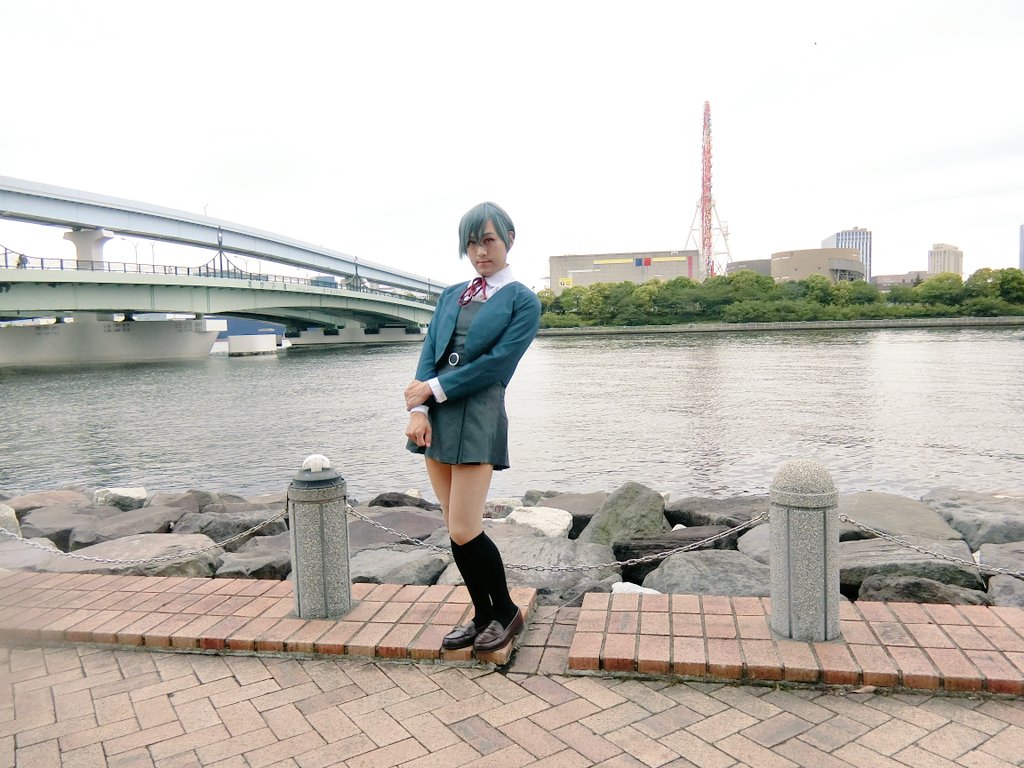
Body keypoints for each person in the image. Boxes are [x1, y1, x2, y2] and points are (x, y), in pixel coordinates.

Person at [405, 201, 541, 653]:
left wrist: (433, 389)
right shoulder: (452, 294)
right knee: (453, 526)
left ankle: (507, 612)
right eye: (471, 243)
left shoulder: (523, 300)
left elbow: (497, 365)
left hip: (479, 414)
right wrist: (419, 410)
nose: (480, 252)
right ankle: (482, 614)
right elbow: (430, 350)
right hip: (438, 417)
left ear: (508, 240)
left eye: (488, 240)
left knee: (465, 527)